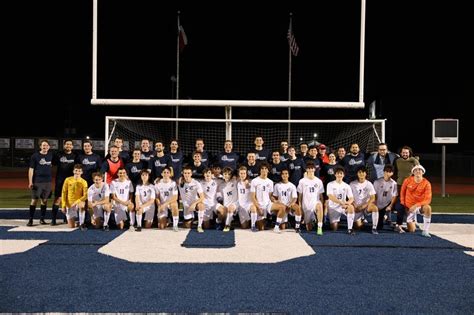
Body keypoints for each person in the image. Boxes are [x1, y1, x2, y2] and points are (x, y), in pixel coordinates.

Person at [250, 162, 286, 232]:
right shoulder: (254, 181)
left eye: (265, 168)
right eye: (262, 168)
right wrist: (258, 208)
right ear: (260, 170)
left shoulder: (270, 182)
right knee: (261, 228)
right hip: (259, 205)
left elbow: (270, 196)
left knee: (283, 207)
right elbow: (253, 197)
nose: (264, 170)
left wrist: (275, 200)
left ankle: (276, 227)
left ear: (268, 170)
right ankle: (259, 222)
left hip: (268, 204)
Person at [400, 165, 432, 237]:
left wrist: (416, 205)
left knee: (428, 208)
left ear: (423, 172)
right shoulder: (407, 180)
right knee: (411, 230)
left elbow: (428, 199)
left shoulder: (427, 183)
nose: (418, 171)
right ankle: (411, 222)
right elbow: (402, 192)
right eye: (416, 170)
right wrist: (404, 204)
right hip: (409, 207)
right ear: (413, 172)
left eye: (419, 170)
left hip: (419, 206)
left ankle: (425, 231)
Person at [393, 145, 419, 232]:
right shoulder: (397, 161)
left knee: (411, 204)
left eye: (406, 153)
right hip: (400, 185)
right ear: (400, 153)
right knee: (401, 204)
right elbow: (394, 171)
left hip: (411, 186)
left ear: (409, 153)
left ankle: (413, 221)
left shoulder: (414, 161)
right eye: (403, 152)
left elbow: (419, 172)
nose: (405, 154)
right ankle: (398, 224)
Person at [27, 139, 53, 226]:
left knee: (44, 201)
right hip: (37, 181)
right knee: (34, 200)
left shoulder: (51, 155)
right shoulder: (35, 156)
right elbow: (31, 169)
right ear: (40, 146)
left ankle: (42, 219)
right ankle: (30, 219)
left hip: (48, 182)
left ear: (49, 147)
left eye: (46, 145)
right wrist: (30, 181)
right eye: (43, 145)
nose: (45, 147)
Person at [349, 166, 379, 234]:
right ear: (357, 174)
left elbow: (373, 197)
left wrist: (364, 205)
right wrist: (355, 205)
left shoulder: (369, 184)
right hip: (357, 208)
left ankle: (374, 228)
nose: (361, 174)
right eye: (359, 172)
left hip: (366, 207)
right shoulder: (352, 184)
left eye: (363, 172)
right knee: (358, 227)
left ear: (366, 173)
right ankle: (361, 219)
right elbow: (349, 197)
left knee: (375, 208)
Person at [297, 162, 325, 234]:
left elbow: (321, 195)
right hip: (306, 205)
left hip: (315, 202)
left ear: (314, 169)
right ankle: (311, 221)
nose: (311, 170)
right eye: (309, 168)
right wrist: (300, 206)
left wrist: (322, 205)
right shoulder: (302, 181)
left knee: (319, 206)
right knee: (309, 228)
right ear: (306, 170)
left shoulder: (318, 181)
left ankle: (319, 227)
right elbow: (300, 195)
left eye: (312, 168)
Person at [326, 166, 356, 234]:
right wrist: (340, 202)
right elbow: (330, 196)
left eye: (341, 173)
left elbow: (351, 198)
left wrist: (347, 203)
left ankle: (350, 229)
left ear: (343, 175)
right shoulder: (330, 184)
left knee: (351, 207)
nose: (339, 175)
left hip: (343, 206)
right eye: (338, 173)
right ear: (335, 174)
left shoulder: (346, 186)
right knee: (334, 228)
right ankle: (331, 220)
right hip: (333, 207)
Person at [178, 165, 205, 232]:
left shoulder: (196, 183)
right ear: (183, 173)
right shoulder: (179, 182)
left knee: (201, 205)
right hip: (186, 206)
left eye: (188, 173)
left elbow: (202, 197)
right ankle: (192, 219)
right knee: (187, 226)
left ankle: (199, 226)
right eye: (185, 173)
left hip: (194, 204)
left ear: (191, 174)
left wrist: (194, 204)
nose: (187, 175)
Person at [61, 164, 89, 230]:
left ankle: (82, 224)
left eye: (79, 171)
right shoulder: (67, 180)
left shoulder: (84, 182)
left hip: (77, 203)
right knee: (71, 226)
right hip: (69, 204)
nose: (77, 172)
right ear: (73, 171)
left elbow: (85, 195)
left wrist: (77, 202)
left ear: (82, 172)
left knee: (82, 205)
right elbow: (64, 193)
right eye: (76, 171)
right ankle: (76, 223)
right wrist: (63, 205)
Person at [373, 164, 398, 231]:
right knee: (377, 224)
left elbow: (394, 195)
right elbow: (374, 195)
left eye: (390, 172)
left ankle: (386, 217)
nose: (388, 173)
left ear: (392, 173)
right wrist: (375, 205)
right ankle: (384, 217)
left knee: (379, 227)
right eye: (386, 171)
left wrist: (390, 206)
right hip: (377, 204)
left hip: (386, 205)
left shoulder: (394, 183)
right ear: (383, 171)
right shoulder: (377, 182)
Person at [155, 167, 179, 231]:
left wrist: (165, 204)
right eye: (164, 172)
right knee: (161, 226)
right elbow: (157, 197)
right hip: (162, 203)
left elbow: (175, 197)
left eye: (167, 172)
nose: (166, 174)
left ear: (170, 174)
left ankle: (175, 225)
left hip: (170, 203)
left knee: (174, 205)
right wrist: (159, 205)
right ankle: (168, 220)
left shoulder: (173, 183)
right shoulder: (158, 183)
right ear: (161, 174)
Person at [216, 167, 238, 232]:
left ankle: (227, 225)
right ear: (223, 174)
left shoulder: (235, 181)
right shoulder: (221, 185)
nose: (227, 176)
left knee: (230, 208)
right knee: (222, 211)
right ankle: (218, 222)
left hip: (235, 204)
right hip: (226, 205)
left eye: (229, 174)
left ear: (231, 175)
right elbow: (220, 198)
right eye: (225, 174)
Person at [236, 166, 254, 230]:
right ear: (239, 174)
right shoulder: (237, 183)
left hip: (249, 204)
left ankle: (253, 224)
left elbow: (249, 186)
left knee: (253, 208)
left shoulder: (250, 182)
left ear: (246, 174)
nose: (243, 175)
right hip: (241, 205)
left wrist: (248, 185)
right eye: (241, 173)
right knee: (244, 227)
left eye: (244, 173)